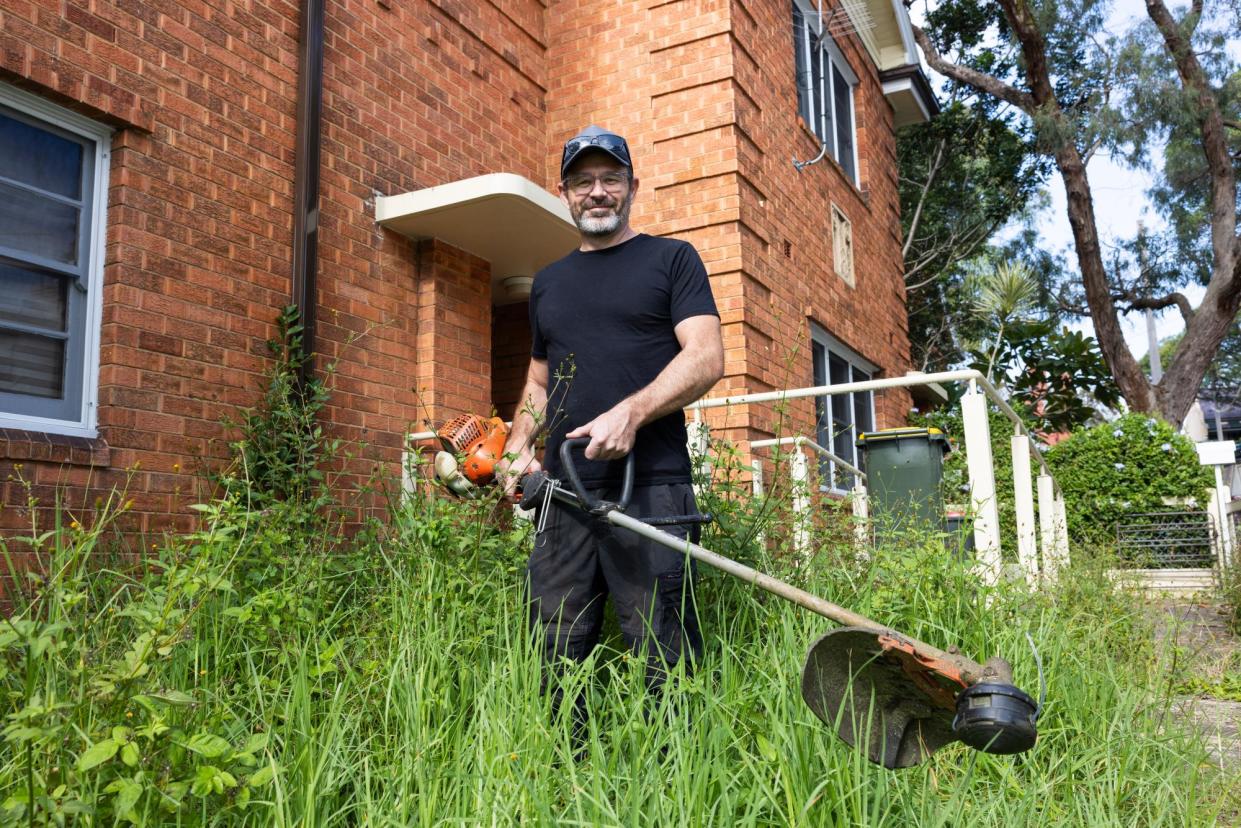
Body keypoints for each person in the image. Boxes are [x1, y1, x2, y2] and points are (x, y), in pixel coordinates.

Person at [495, 125, 724, 734]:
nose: (597, 192)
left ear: (631, 187)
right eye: (583, 182)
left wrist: (633, 410)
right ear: (565, 193)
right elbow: (539, 384)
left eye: (610, 180)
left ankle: (675, 785)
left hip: (650, 489)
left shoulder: (672, 260)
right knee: (554, 649)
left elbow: (705, 357)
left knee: (663, 652)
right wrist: (519, 445)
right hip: (562, 494)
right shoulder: (549, 282)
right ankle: (564, 779)